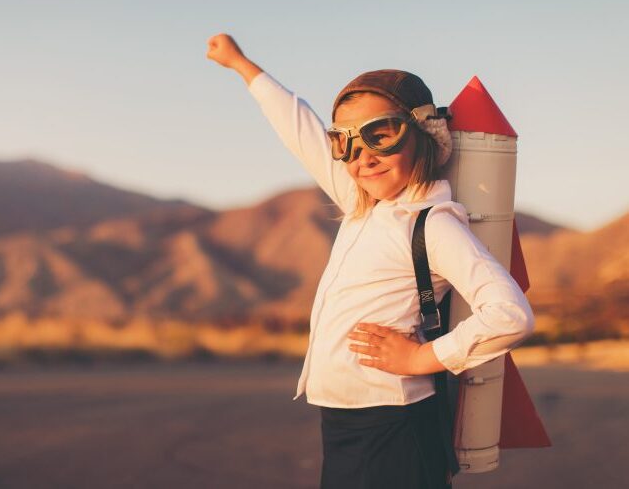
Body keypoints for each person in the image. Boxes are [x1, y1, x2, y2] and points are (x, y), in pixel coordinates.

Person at [206, 33, 535, 489]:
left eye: (380, 135)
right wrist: (243, 66)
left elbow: (510, 314)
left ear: (422, 133)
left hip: (393, 424)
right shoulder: (364, 205)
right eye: (345, 142)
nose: (363, 157)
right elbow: (299, 130)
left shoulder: (432, 224)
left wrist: (423, 357)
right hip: (343, 420)